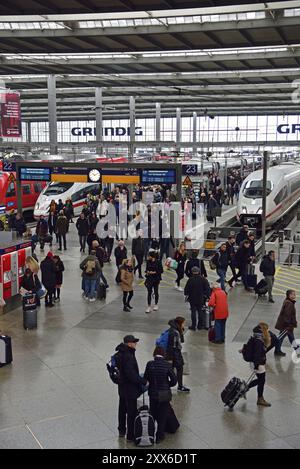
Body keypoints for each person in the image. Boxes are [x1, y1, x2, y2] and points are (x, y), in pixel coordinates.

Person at [143, 346, 178, 444]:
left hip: (153, 393)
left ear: (154, 354)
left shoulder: (149, 364)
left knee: (153, 413)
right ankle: (159, 436)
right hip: (165, 394)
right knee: (162, 415)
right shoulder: (167, 365)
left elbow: (146, 378)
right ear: (164, 354)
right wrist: (167, 385)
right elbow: (174, 381)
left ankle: (150, 433)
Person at [115, 335, 146, 441]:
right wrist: (142, 381)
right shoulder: (128, 355)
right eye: (134, 342)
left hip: (122, 387)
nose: (135, 344)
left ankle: (121, 430)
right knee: (131, 411)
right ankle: (130, 435)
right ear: (129, 343)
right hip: (130, 389)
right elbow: (131, 374)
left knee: (122, 409)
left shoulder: (119, 353)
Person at [247, 323, 272, 407]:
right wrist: (257, 366)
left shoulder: (256, 337)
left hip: (255, 362)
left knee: (261, 380)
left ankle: (246, 388)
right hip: (258, 363)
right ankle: (260, 399)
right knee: (261, 380)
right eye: (267, 330)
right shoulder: (259, 340)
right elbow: (257, 354)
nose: (268, 332)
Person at [166, 317, 190, 393]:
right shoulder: (175, 332)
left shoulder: (173, 330)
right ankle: (179, 386)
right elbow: (175, 345)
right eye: (183, 323)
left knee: (171, 369)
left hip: (172, 353)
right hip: (174, 354)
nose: (184, 325)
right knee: (179, 369)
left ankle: (171, 385)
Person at [184, 266, 210, 331]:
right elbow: (207, 289)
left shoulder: (190, 279)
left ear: (192, 272)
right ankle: (200, 325)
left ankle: (193, 325)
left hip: (192, 298)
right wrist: (206, 296)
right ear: (198, 271)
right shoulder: (203, 279)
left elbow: (186, 289)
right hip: (201, 298)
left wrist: (186, 294)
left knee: (193, 312)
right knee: (200, 311)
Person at [275, 290, 300, 356]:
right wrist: (288, 325)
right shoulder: (289, 303)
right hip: (287, 326)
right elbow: (287, 315)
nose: (294, 295)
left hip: (286, 325)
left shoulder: (288, 301)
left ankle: (297, 350)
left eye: (295, 294)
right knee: (281, 338)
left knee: (289, 338)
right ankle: (277, 351)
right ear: (289, 295)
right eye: (293, 294)